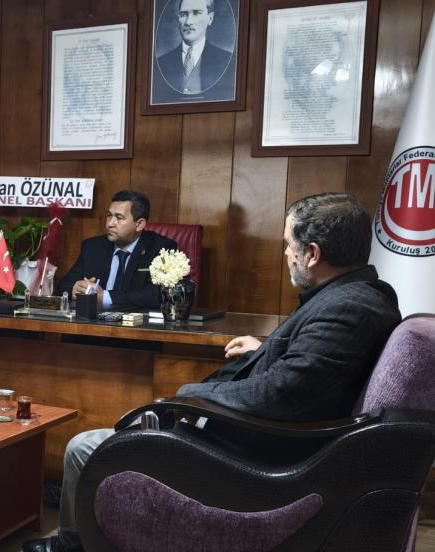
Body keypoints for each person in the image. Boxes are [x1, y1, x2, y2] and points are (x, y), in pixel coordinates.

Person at [24, 193, 402, 552]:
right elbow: (308, 371)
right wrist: (264, 350)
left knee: (84, 446)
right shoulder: (352, 296)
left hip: (249, 459)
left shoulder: (348, 309)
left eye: (289, 245)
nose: (286, 253)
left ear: (313, 254)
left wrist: (192, 397)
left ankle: (74, 545)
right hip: (254, 438)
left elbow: (280, 393)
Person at [56, 190, 177, 310]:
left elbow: (157, 293)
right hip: (94, 320)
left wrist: (105, 297)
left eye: (119, 218)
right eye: (109, 216)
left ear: (139, 224)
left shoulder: (161, 249)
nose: (110, 224)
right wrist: (75, 289)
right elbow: (63, 286)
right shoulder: (92, 247)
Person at [155, 0, 233, 96]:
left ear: (210, 18)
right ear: (178, 19)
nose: (188, 22)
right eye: (183, 14)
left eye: (196, 13)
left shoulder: (227, 61)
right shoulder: (161, 63)